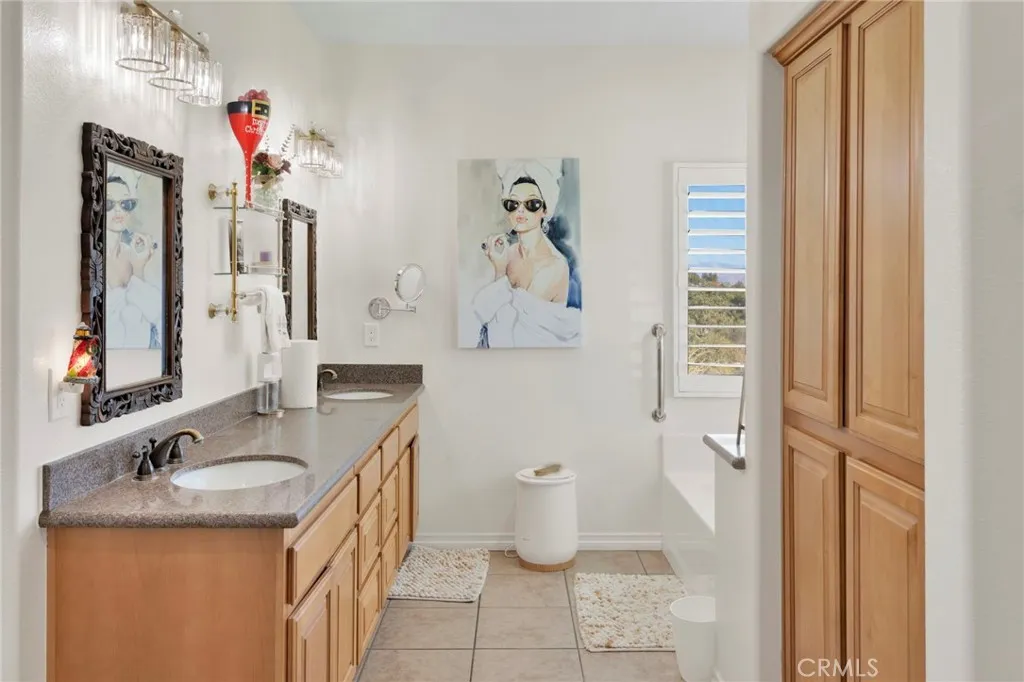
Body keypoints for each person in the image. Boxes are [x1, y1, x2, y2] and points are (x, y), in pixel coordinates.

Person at [472, 159, 582, 348]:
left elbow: (506, 335)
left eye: (532, 203)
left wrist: (500, 271)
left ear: (545, 210)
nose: (520, 210)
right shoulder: (507, 253)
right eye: (513, 203)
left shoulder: (554, 266)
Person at [105, 172, 162, 350]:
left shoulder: (136, 254)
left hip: (141, 356)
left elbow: (158, 314)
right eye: (109, 204)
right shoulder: (94, 259)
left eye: (125, 204)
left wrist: (139, 270)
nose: (118, 211)